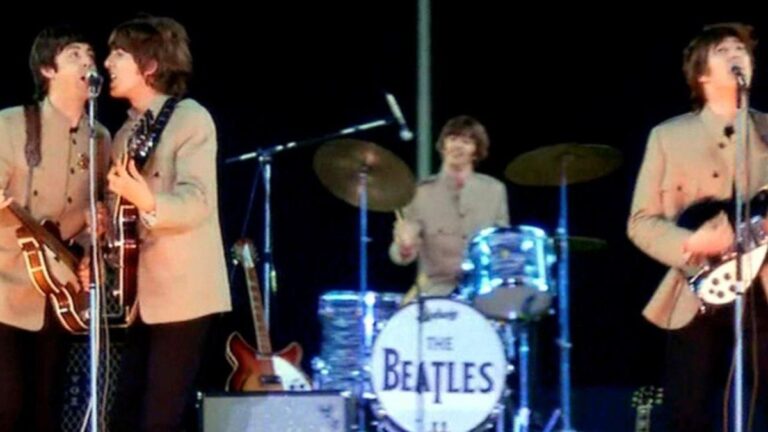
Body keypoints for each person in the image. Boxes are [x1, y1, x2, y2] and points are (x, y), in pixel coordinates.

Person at [628, 22, 768, 431]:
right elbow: (640, 222)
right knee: (687, 412)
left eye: (742, 50)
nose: (738, 55)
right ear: (702, 72)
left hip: (762, 285)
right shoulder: (668, 136)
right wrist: (693, 239)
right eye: (725, 50)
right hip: (697, 291)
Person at [104, 16, 231, 431]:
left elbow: (198, 202)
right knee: (124, 413)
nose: (107, 63)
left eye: (118, 54)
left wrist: (146, 199)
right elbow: (121, 220)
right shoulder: (124, 133)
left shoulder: (190, 118)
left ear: (150, 66)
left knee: (159, 415)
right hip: (141, 295)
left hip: (184, 291)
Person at [0, 25, 110, 431]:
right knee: (7, 406)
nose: (88, 61)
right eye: (74, 55)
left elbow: (95, 214)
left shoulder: (100, 137)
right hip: (5, 287)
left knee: (46, 409)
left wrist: (88, 247)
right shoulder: (11, 125)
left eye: (89, 53)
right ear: (48, 70)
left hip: (60, 292)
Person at [389, 115, 509, 302]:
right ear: (443, 145)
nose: (458, 146)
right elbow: (400, 254)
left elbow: (503, 244)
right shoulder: (419, 192)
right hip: (435, 292)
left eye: (467, 142)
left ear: (476, 151)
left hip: (482, 292)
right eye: (452, 139)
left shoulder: (494, 190)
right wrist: (404, 247)